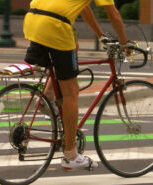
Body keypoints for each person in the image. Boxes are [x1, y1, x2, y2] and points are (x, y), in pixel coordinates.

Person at [23, 0, 129, 170]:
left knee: (74, 45)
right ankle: (71, 155)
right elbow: (113, 14)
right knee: (71, 93)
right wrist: (124, 43)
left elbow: (84, 7)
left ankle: (47, 96)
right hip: (55, 25)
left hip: (33, 19)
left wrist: (100, 35)